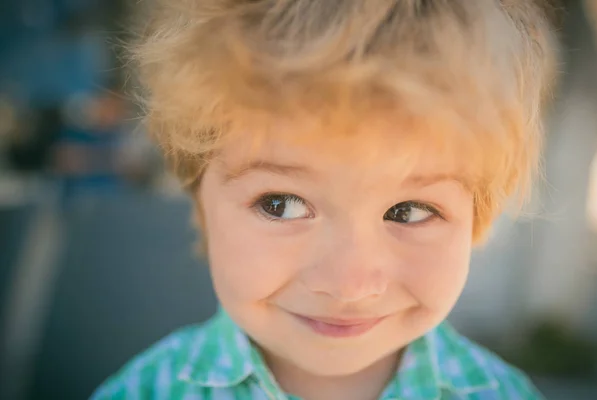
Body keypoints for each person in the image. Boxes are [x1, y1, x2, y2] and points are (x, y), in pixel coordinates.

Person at [91, 1, 558, 399]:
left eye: (409, 211)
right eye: (281, 204)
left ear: (477, 219)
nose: (348, 285)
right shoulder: (148, 389)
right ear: (201, 207)